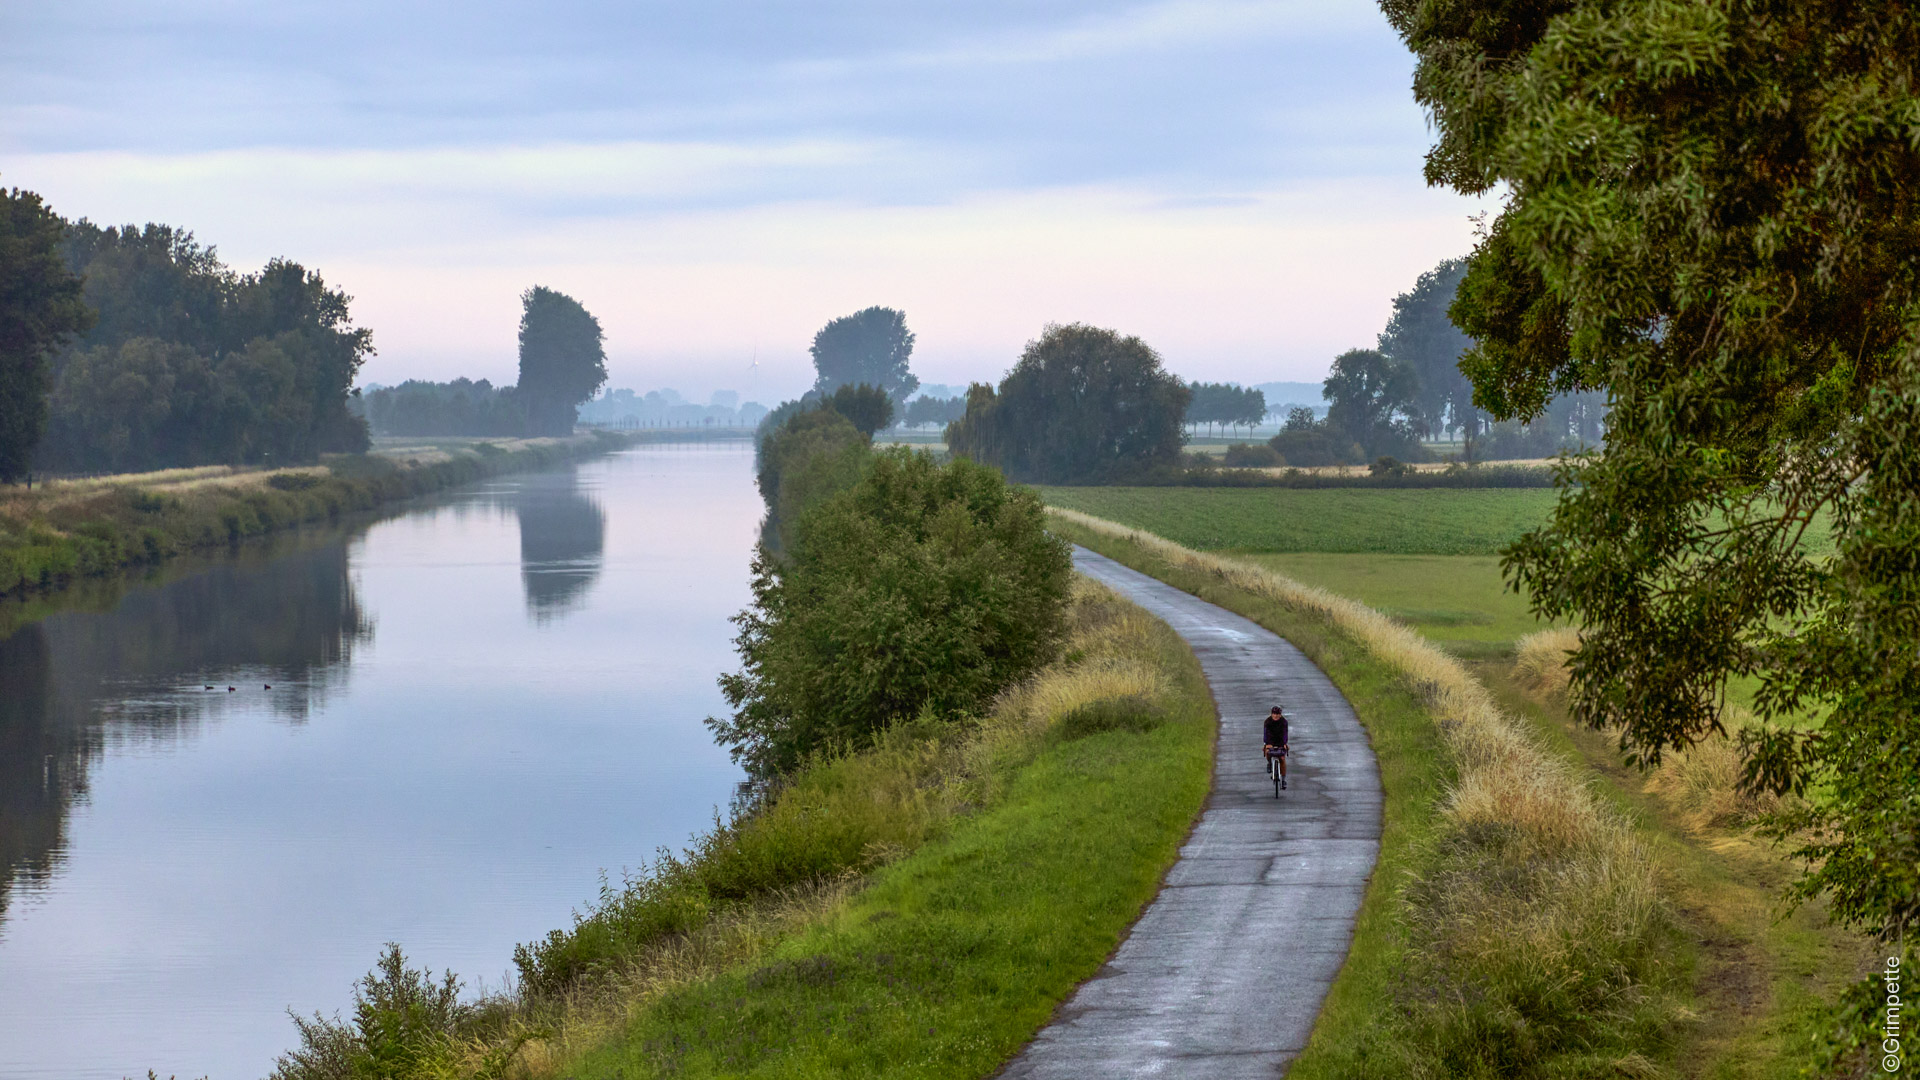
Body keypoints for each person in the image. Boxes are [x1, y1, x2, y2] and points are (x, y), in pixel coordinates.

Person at [1263, 705, 1289, 790]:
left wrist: (1284, 743)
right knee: (1267, 751)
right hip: (1270, 741)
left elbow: (1285, 733)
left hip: (1280, 741)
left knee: (1282, 758)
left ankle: (1283, 780)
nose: (1275, 716)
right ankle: (1270, 763)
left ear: (1280, 715)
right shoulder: (1267, 722)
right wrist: (1267, 743)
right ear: (1271, 714)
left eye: (1277, 714)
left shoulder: (1284, 722)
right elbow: (1266, 733)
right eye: (1274, 714)